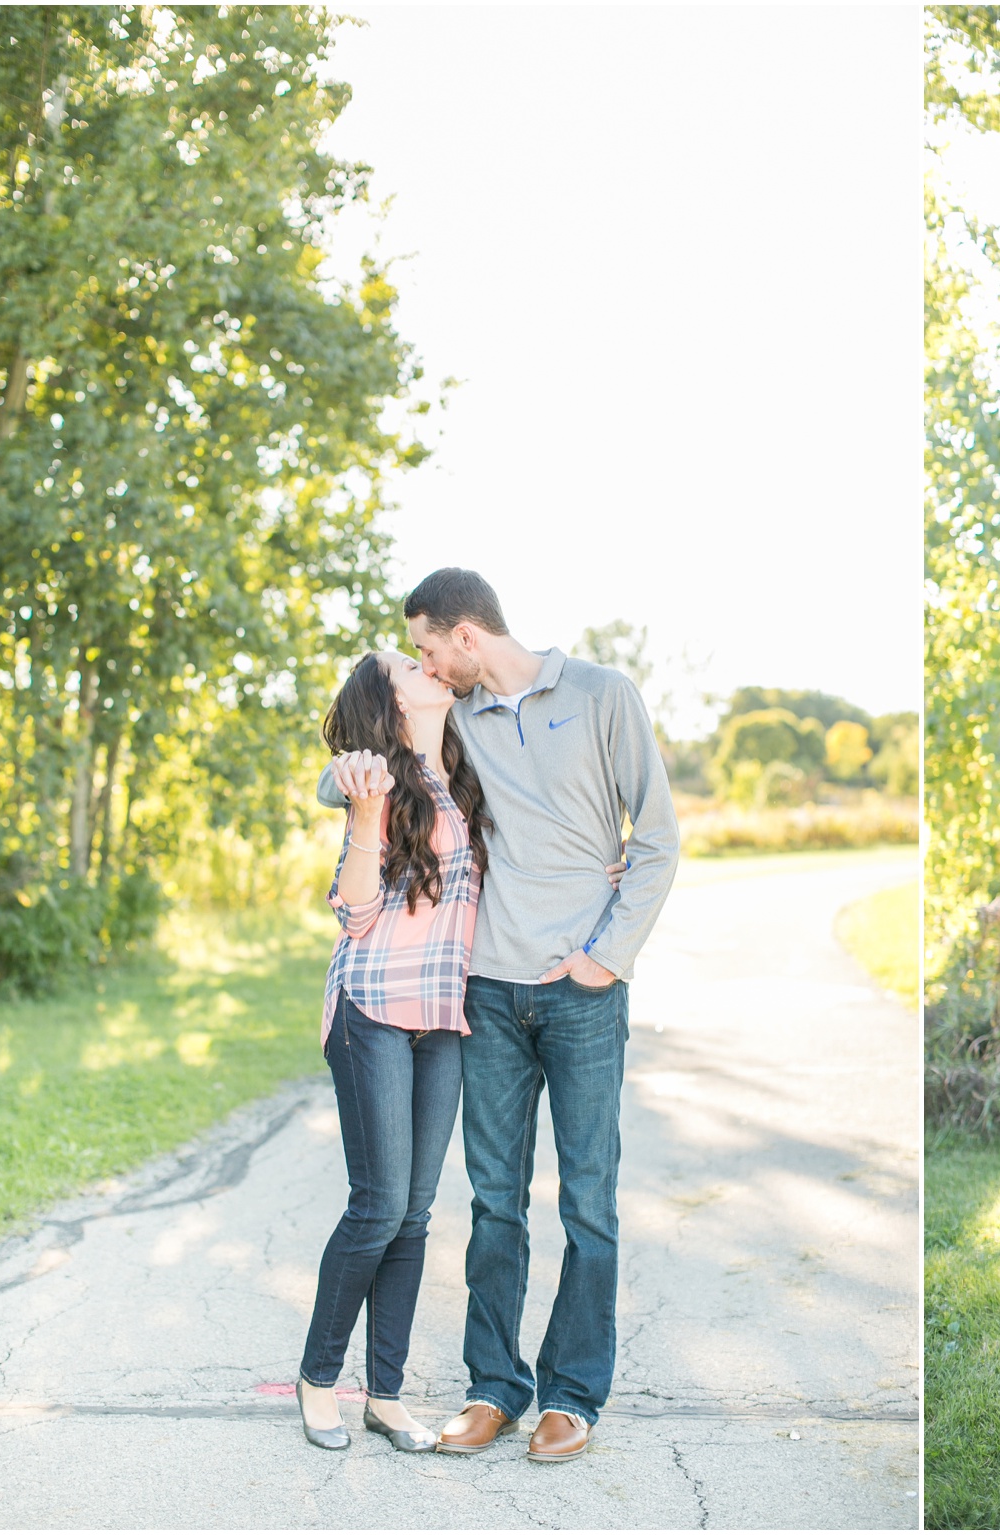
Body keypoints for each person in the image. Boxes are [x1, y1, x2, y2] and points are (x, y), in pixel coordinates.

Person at [318, 568, 679, 1463]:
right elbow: (369, 767)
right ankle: (494, 1386)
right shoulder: (461, 721)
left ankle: (572, 1394)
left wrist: (605, 955)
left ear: (464, 635)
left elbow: (659, 839)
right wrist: (342, 771)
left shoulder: (602, 694)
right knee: (494, 1204)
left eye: (428, 645)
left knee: (589, 1203)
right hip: (484, 992)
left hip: (584, 993)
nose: (425, 662)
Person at [297, 650, 492, 1453]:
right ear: (389, 697)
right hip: (371, 1009)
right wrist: (364, 810)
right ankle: (318, 1379)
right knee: (377, 1205)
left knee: (413, 1213)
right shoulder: (375, 776)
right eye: (407, 664)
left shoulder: (465, 770)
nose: (428, 665)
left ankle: (386, 1394)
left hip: (440, 1018)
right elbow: (354, 913)